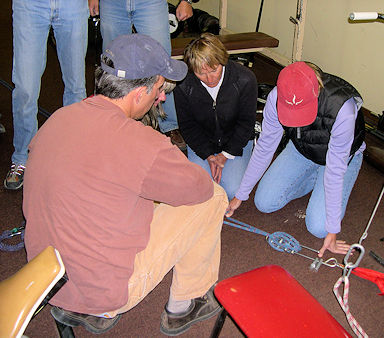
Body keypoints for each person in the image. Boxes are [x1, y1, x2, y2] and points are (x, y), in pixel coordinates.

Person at [23, 34, 228, 336]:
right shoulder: (141, 143)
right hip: (101, 293)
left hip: (47, 281)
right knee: (214, 197)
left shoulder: (58, 118)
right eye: (159, 90)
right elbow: (200, 188)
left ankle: (85, 301)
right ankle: (186, 304)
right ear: (138, 93)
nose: (161, 98)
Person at [226, 61, 366, 258]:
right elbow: (265, 147)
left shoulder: (343, 108)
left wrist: (333, 230)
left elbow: (335, 171)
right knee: (264, 203)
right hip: (302, 149)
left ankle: (321, 180)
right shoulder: (276, 96)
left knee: (319, 227)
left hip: (338, 159)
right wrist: (240, 194)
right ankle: (315, 179)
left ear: (316, 92)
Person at [88, 0, 196, 150]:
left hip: (150, 3)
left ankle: (169, 124)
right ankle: (114, 119)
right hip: (112, 4)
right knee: (113, 64)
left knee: (162, 61)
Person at [4, 0, 89, 190]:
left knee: (76, 88)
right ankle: (22, 157)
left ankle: (73, 155)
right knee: (25, 87)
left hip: (72, 5)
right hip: (30, 6)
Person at [174, 33, 257, 200]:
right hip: (203, 140)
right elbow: (188, 125)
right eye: (201, 73)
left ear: (222, 61)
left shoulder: (245, 79)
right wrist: (208, 155)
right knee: (201, 188)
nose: (209, 79)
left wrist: (225, 155)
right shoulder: (183, 84)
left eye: (214, 70)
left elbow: (246, 123)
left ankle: (247, 153)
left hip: (235, 141)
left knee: (231, 190)